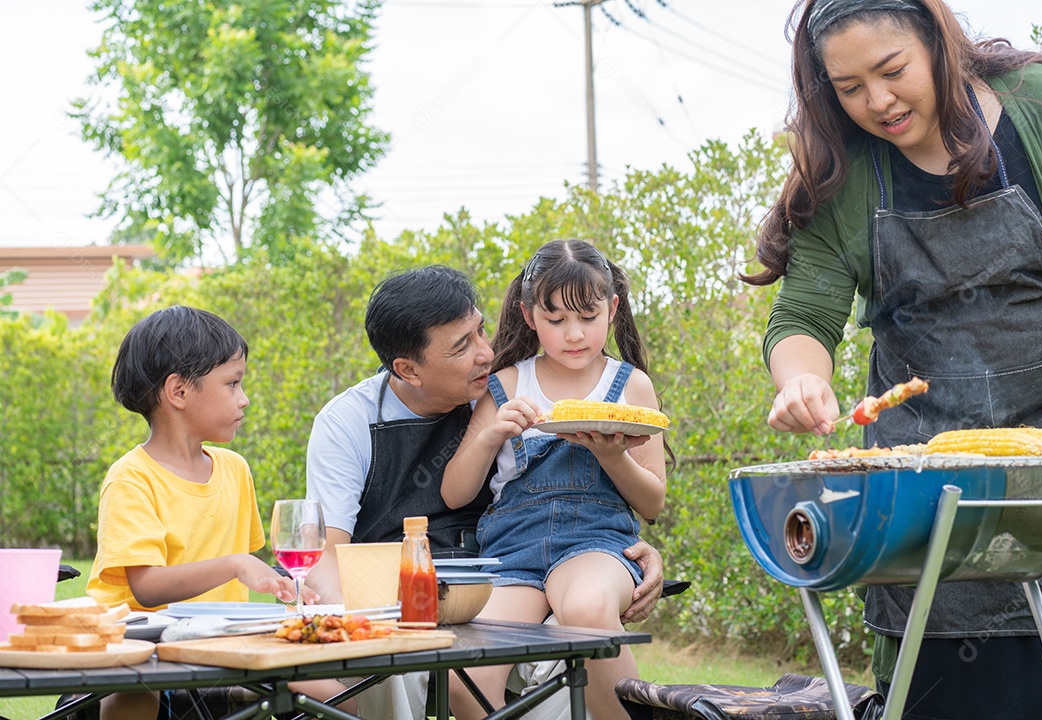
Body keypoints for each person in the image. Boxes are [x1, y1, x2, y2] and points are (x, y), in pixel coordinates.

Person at [744, 0, 1042, 718]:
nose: (878, 102)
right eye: (849, 86)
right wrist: (803, 379)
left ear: (936, 42)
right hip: (925, 516)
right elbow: (803, 318)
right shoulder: (845, 175)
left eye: (892, 71)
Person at [303, 264, 667, 720]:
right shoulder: (349, 423)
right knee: (435, 672)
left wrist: (623, 548)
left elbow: (614, 498)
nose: (485, 353)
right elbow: (325, 557)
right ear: (408, 369)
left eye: (480, 331)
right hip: (407, 601)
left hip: (506, 586)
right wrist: (361, 627)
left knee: (573, 644)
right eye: (462, 346)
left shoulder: (504, 390)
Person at [441, 240, 670, 720]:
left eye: (588, 318)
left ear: (613, 309)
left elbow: (652, 502)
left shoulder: (630, 386)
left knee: (587, 611)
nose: (574, 334)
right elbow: (454, 492)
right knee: (463, 679)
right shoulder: (504, 385)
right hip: (511, 555)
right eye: (556, 320)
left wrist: (612, 456)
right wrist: (489, 436)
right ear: (529, 317)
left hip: (595, 544)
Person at [86, 305, 303, 720]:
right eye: (233, 383)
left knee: (326, 684)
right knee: (134, 693)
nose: (245, 398)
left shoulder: (234, 470)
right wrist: (236, 564)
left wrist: (285, 584)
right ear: (179, 392)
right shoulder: (131, 479)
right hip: (142, 650)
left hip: (222, 644)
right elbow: (146, 587)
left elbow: (243, 565)